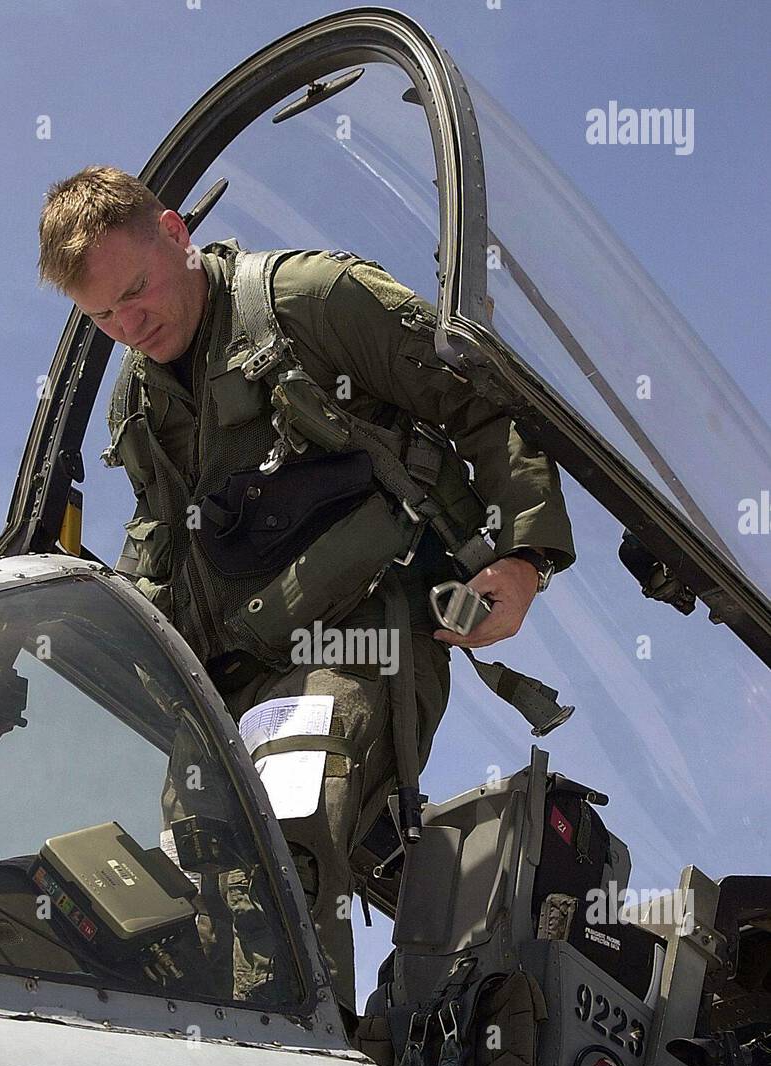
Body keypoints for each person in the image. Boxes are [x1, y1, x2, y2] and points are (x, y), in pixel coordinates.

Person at [37, 166, 576, 1014]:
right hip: (233, 680)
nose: (128, 326)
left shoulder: (315, 300)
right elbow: (167, 552)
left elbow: (485, 403)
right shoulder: (137, 406)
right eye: (102, 316)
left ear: (175, 234)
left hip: (360, 631)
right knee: (187, 882)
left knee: (289, 828)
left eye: (136, 291)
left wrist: (526, 554)